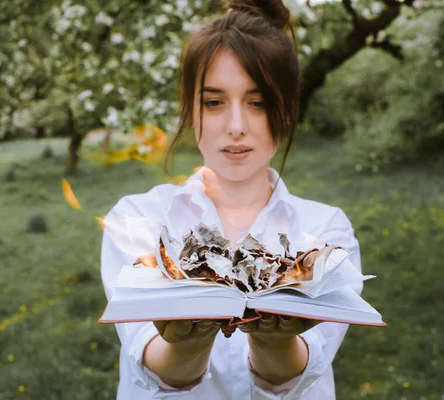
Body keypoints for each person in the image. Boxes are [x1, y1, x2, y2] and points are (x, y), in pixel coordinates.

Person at [100, 1, 364, 398]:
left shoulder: (324, 236)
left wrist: (274, 341)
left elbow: (305, 368)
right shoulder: (140, 221)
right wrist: (186, 345)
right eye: (214, 102)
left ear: (287, 112)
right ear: (190, 109)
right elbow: (149, 360)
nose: (236, 126)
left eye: (257, 103)